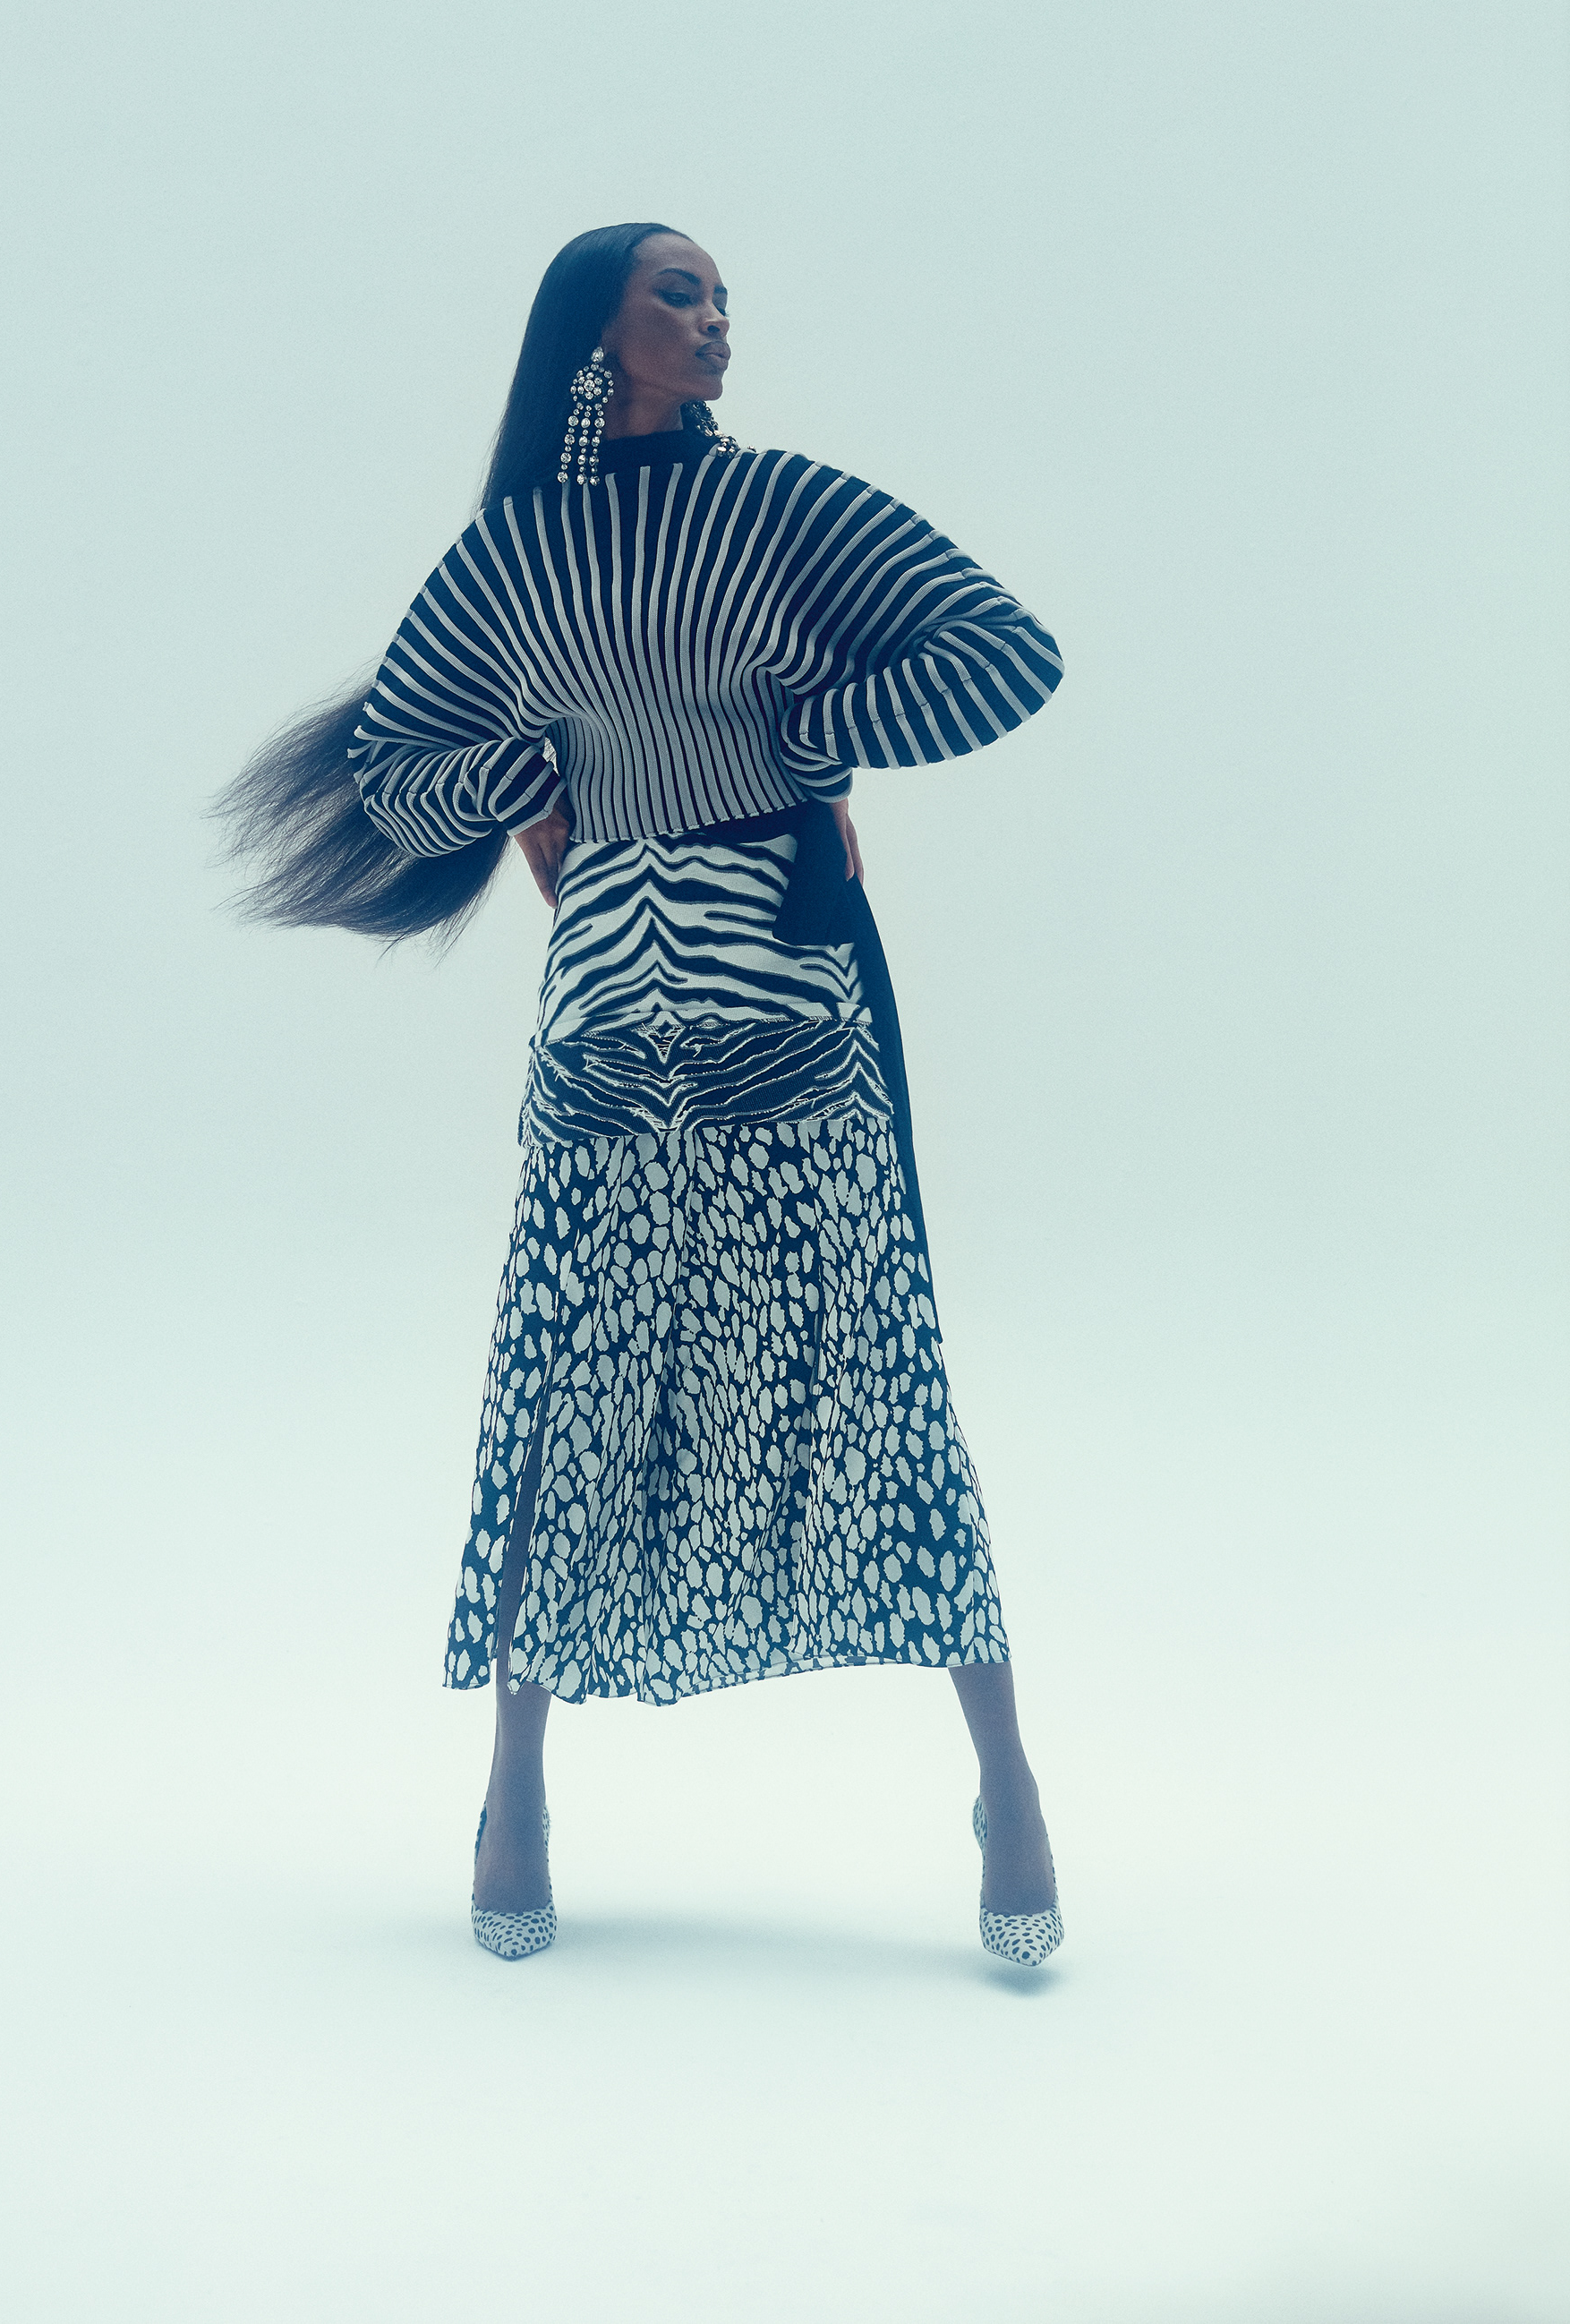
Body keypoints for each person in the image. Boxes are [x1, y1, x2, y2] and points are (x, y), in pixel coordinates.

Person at [218, 222, 1066, 1967]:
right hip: (609, 1005)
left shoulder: (784, 508)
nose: (716, 318)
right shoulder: (512, 555)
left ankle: (1010, 1783)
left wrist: (810, 732)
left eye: (722, 296)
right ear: (593, 329)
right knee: (573, 1371)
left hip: (783, 986)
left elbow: (1005, 651)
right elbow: (394, 772)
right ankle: (515, 1792)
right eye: (680, 292)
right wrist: (521, 773)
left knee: (875, 1353)